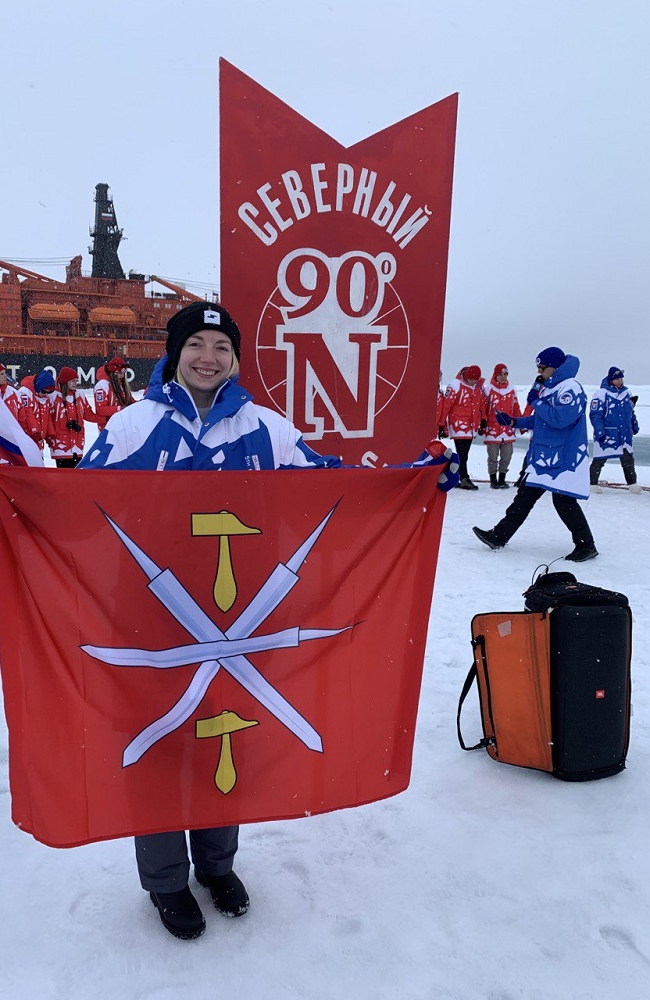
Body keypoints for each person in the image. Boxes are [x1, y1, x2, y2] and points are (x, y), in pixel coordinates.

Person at [79, 301, 457, 941]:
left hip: (245, 617)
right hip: (151, 618)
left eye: (221, 347)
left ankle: (218, 865)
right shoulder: (132, 425)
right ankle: (167, 880)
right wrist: (6, 486)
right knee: (163, 746)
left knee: (227, 735)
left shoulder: (268, 429)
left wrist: (412, 482)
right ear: (174, 352)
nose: (208, 357)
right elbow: (79, 505)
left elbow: (333, 490)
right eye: (195, 343)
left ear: (235, 358)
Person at [472, 346, 598, 562]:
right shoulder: (551, 388)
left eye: (542, 367)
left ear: (554, 366)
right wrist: (513, 421)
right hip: (543, 456)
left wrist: (536, 401)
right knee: (524, 497)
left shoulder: (571, 388)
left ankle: (586, 545)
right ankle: (499, 536)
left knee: (563, 502)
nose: (539, 371)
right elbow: (542, 419)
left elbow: (560, 419)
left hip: (563, 457)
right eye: (537, 367)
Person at [589, 366, 641, 494]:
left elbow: (630, 412)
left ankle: (632, 484)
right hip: (608, 434)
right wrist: (600, 431)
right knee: (599, 460)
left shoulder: (627, 393)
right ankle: (592, 484)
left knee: (628, 460)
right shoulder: (601, 394)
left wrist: (634, 425)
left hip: (624, 434)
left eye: (621, 378)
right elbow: (595, 415)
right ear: (611, 380)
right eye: (617, 379)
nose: (620, 381)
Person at [439, 365, 487, 489]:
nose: (473, 382)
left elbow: (481, 405)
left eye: (475, 380)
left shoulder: (478, 387)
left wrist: (483, 420)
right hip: (458, 425)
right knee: (462, 453)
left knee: (464, 454)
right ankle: (463, 477)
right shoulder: (455, 385)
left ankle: (456, 476)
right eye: (471, 380)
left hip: (471, 426)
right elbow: (446, 407)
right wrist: (442, 424)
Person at [47, 367, 98, 468]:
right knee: (64, 478)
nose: (76, 383)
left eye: (76, 381)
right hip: (60, 446)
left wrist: (107, 418)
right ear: (65, 382)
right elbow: (48, 420)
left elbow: (88, 415)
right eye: (73, 381)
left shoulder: (80, 395)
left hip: (77, 444)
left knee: (75, 479)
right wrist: (51, 438)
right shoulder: (52, 396)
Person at [482, 363, 522, 489]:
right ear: (495, 375)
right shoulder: (488, 390)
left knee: (507, 456)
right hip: (493, 429)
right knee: (492, 457)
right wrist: (482, 422)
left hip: (507, 430)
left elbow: (516, 407)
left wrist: (521, 423)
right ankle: (493, 480)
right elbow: (483, 408)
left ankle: (502, 479)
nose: (503, 377)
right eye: (500, 374)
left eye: (505, 374)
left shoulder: (512, 390)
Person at [18, 370, 56, 451]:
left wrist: (50, 434)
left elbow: (47, 417)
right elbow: (27, 415)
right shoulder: (24, 393)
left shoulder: (44, 397)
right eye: (44, 391)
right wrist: (34, 432)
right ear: (39, 386)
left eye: (49, 393)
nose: (46, 394)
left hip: (39, 440)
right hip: (27, 439)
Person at [94, 356, 135, 430]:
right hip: (107, 428)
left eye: (123, 373)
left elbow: (130, 401)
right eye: (120, 373)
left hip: (121, 426)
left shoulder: (121, 385)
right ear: (113, 373)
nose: (122, 376)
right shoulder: (102, 385)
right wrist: (120, 408)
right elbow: (101, 409)